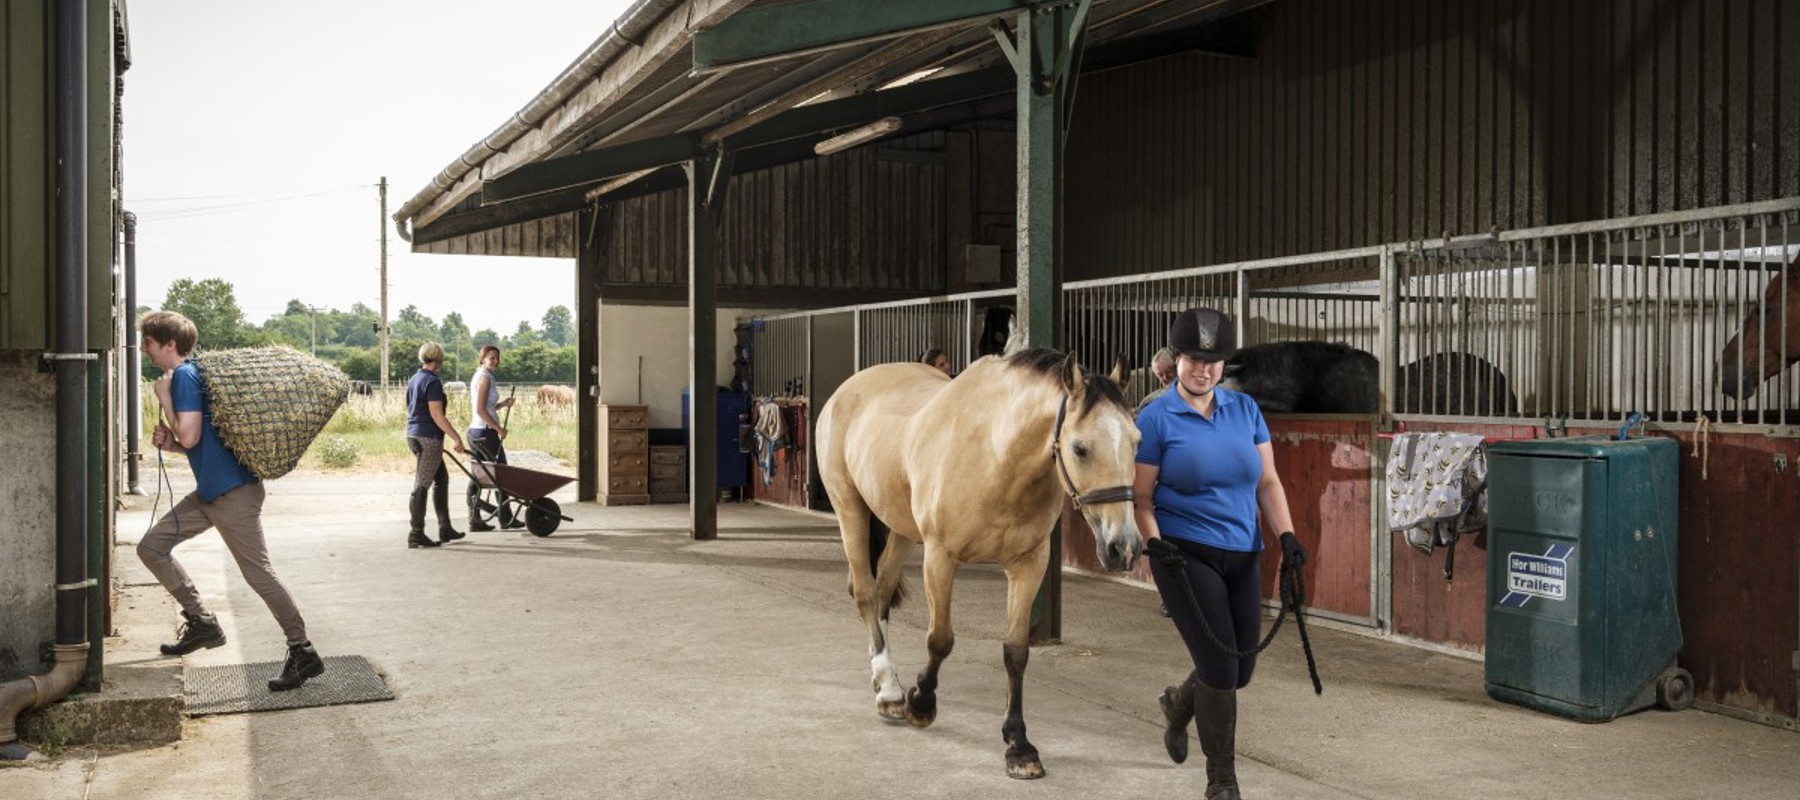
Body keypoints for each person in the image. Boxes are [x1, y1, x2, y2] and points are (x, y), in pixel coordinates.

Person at [1132, 307, 1302, 800]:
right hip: (1184, 554)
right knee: (1221, 669)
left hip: (1244, 549)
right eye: (1192, 359)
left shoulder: (1244, 411)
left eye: (1213, 361)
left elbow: (1267, 481)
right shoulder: (1156, 417)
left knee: (1240, 668)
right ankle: (1221, 781)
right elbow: (1142, 498)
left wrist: (1287, 537)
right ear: (1176, 360)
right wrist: (1154, 544)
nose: (1202, 369)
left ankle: (1180, 703)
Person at [137, 310, 325, 692]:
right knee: (151, 547)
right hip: (210, 493)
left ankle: (302, 650)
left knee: (259, 574)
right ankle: (202, 622)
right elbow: (193, 443)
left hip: (233, 496)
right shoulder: (186, 378)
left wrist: (165, 401)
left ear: (169, 344)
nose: (144, 348)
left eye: (149, 342)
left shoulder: (185, 378)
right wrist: (168, 443)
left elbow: (188, 436)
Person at [406, 342, 469, 548]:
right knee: (422, 483)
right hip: (428, 437)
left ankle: (445, 527)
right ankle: (416, 532)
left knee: (441, 478)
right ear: (439, 359)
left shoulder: (415, 379)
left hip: (414, 433)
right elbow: (436, 414)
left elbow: (411, 407)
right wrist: (456, 437)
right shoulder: (432, 382)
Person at [466, 344, 520, 531]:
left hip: (476, 431)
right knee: (501, 474)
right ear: (482, 359)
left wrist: (502, 404)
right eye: (491, 358)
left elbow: (486, 407)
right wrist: (498, 428)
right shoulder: (485, 378)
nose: (496, 361)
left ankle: (474, 519)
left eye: (497, 357)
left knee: (478, 474)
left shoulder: (482, 376)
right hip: (485, 433)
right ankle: (506, 518)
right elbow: (480, 410)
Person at [1137, 346, 1178, 412]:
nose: (1165, 377)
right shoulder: (1149, 401)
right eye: (1160, 375)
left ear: (1176, 368)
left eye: (1169, 372)